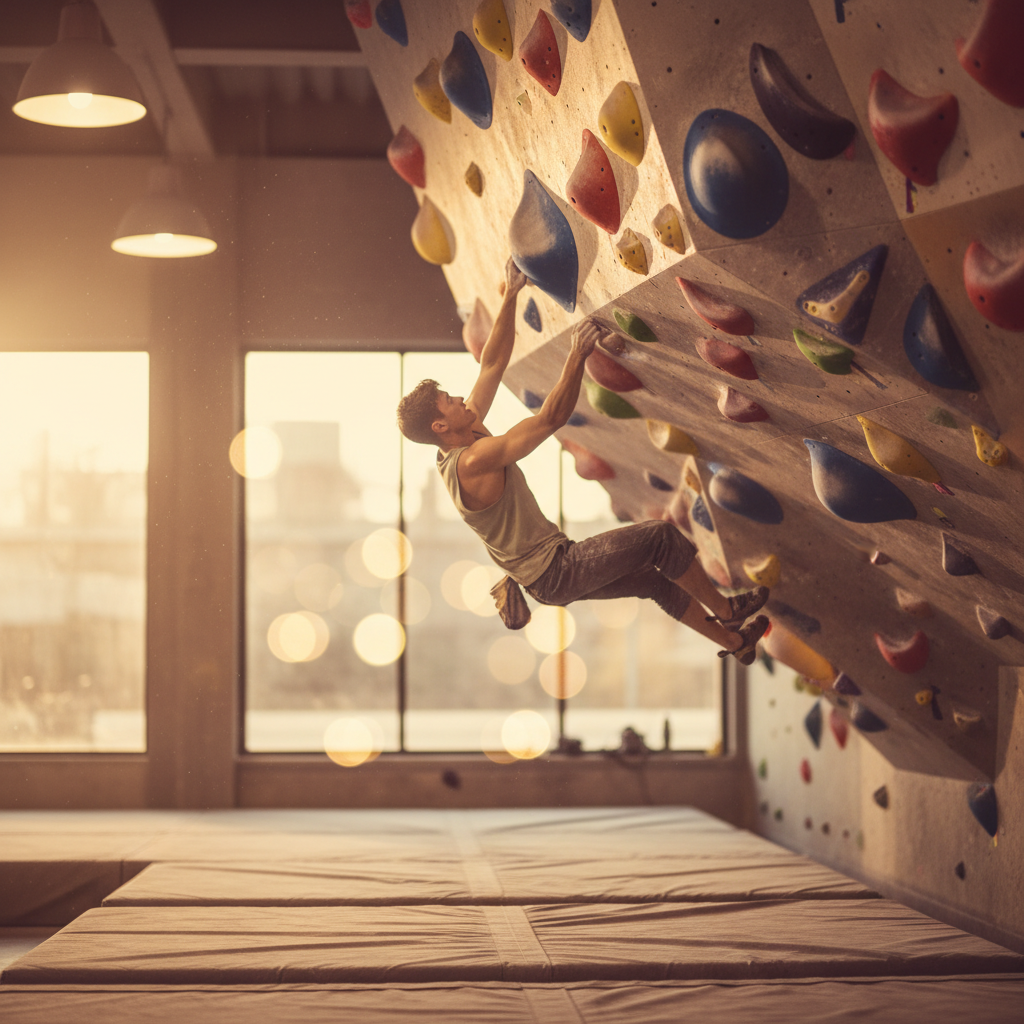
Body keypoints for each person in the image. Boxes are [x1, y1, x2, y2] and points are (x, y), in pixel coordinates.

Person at [396, 257, 770, 663]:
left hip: (547, 576)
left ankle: (736, 644)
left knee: (655, 582)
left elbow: (492, 363)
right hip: (556, 572)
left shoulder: (465, 432)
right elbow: (550, 419)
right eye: (448, 401)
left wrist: (511, 293)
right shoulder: (471, 461)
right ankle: (728, 611)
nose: (459, 399)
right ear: (440, 426)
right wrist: (577, 355)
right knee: (660, 539)